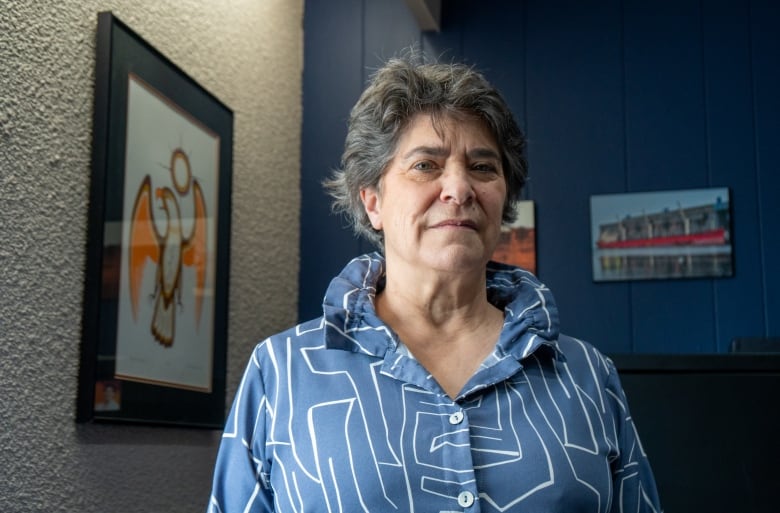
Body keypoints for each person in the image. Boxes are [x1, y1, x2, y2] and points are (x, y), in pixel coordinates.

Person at [207, 53, 662, 513]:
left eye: (483, 167)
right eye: (426, 165)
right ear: (372, 202)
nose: (459, 188)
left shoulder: (586, 376)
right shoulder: (281, 373)